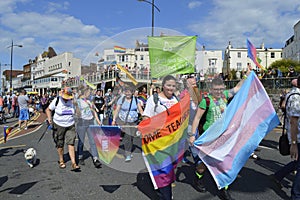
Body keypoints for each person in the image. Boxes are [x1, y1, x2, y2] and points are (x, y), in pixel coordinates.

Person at [189, 71, 249, 200]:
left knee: (224, 163)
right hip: (208, 137)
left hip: (223, 137)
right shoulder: (206, 101)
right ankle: (197, 178)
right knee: (203, 164)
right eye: (216, 89)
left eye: (221, 89)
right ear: (211, 89)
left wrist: (246, 76)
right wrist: (192, 135)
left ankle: (223, 188)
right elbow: (197, 119)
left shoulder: (225, 96)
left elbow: (238, 88)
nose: (219, 91)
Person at [142, 75, 179, 200]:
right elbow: (146, 117)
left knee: (169, 171)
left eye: (173, 86)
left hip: (173, 143)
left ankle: (162, 191)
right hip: (158, 143)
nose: (171, 88)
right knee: (164, 171)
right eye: (168, 85)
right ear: (163, 85)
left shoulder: (176, 99)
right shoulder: (154, 99)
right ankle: (166, 196)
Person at [46, 87, 80, 171]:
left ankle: (73, 163)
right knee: (60, 143)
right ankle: (61, 160)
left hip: (70, 124)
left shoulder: (72, 101)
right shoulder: (57, 100)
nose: (66, 99)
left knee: (71, 143)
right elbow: (48, 109)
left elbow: (77, 111)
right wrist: (49, 118)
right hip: (59, 125)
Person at [112, 84, 143, 162]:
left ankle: (128, 149)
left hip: (133, 122)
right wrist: (114, 120)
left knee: (132, 136)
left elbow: (140, 110)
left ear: (132, 92)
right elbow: (117, 110)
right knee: (127, 136)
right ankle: (128, 154)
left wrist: (145, 118)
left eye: (129, 92)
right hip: (124, 121)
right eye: (126, 92)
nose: (127, 93)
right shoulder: (121, 99)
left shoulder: (136, 100)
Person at [75, 86, 102, 168]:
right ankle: (80, 157)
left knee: (92, 141)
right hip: (82, 122)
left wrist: (98, 120)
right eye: (89, 92)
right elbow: (77, 113)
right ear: (85, 92)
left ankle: (95, 159)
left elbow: (93, 111)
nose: (90, 94)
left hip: (90, 122)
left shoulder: (89, 101)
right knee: (81, 141)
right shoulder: (78, 101)